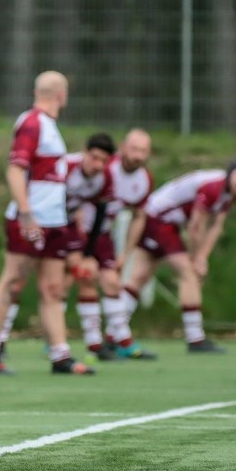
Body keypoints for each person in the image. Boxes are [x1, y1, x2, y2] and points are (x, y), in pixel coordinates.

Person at [0, 71, 93, 376]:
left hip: (55, 221)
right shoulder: (32, 122)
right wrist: (27, 213)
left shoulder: (49, 125)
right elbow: (15, 170)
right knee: (12, 281)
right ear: (61, 95)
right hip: (33, 219)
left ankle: (60, 355)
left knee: (53, 288)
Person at [119, 156, 236, 353]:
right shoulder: (213, 187)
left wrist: (203, 257)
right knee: (187, 273)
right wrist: (195, 258)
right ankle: (195, 338)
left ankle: (115, 334)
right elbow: (195, 227)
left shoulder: (229, 193)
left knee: (139, 276)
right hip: (158, 219)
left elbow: (216, 227)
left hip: (162, 221)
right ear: (230, 173)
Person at [62, 129, 156, 360]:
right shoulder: (103, 165)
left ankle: (119, 340)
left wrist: (126, 253)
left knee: (112, 282)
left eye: (143, 151)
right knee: (73, 280)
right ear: (123, 147)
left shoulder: (143, 180)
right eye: (134, 149)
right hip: (77, 229)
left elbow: (138, 216)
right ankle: (80, 342)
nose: (138, 155)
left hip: (102, 233)